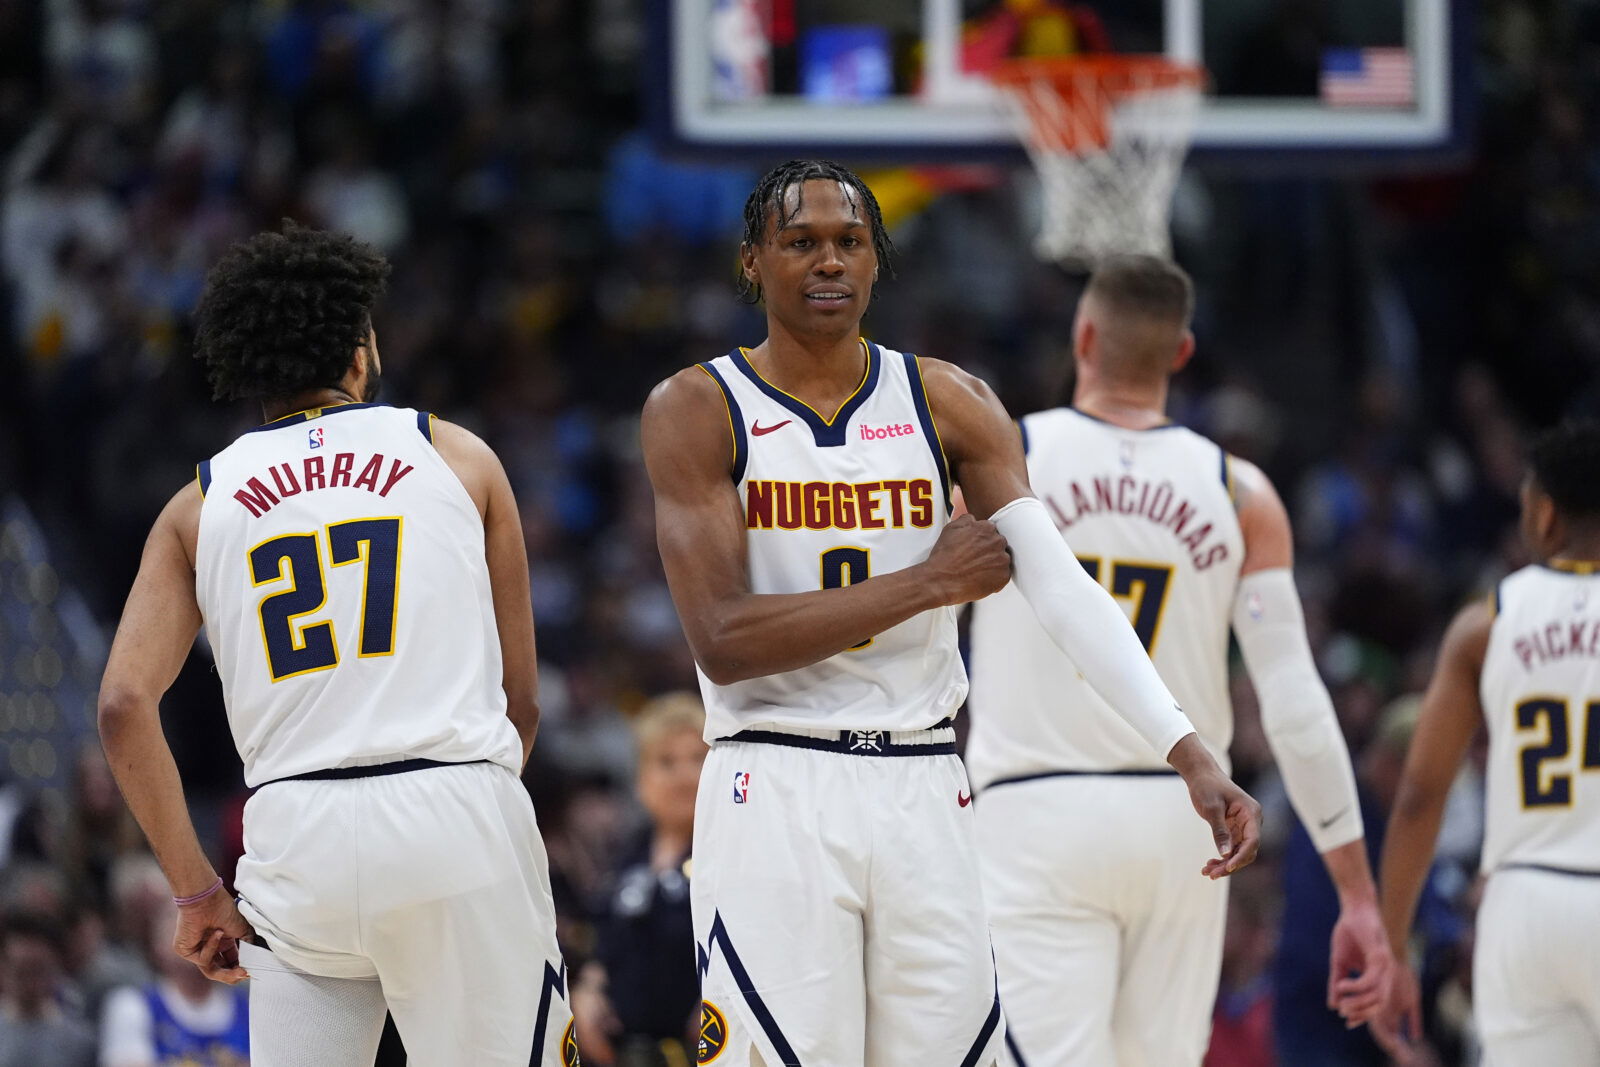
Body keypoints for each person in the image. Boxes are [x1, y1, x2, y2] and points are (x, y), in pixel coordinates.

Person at [639, 160, 1262, 1065]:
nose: (829, 263)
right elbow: (725, 639)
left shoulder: (949, 400)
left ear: (877, 262)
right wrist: (927, 582)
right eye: (801, 242)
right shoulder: (696, 407)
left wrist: (1188, 747)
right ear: (752, 263)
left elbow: (1062, 585)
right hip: (772, 781)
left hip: (924, 781)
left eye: (850, 243)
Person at [96, 223, 573, 1066]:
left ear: (248, 372)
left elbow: (124, 703)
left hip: (296, 835)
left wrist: (196, 890)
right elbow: (521, 699)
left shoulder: (196, 505)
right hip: (453, 806)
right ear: (362, 351)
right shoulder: (457, 455)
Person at [964, 255, 1391, 1066]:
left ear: (1082, 335)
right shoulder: (1241, 491)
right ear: (1183, 353)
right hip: (1188, 820)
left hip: (1035, 812)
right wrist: (1358, 894)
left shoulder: (1002, 454)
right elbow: (1296, 704)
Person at [1369, 420, 1600, 1064]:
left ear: (1545, 513)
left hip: (1525, 904)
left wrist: (1393, 949)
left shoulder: (1485, 623)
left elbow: (1419, 796)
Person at [572, 692, 708, 1066]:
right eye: (666, 762)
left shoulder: (732, 857)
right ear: (640, 778)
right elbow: (602, 945)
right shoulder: (627, 857)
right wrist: (588, 990)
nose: (685, 775)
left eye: (699, 759)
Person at [99, 901, 249, 1067]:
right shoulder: (133, 1005)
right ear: (156, 946)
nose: (195, 939)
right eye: (178, 928)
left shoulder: (250, 1007)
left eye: (203, 931)